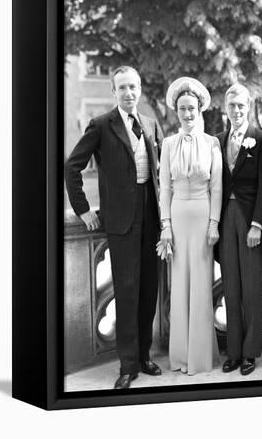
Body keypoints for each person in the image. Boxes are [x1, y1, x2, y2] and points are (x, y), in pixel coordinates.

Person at [65, 65, 164, 389]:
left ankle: (145, 356)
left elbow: (162, 170)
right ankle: (127, 364)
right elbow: (72, 167)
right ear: (114, 92)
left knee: (149, 290)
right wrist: (83, 210)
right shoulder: (101, 125)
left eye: (133, 86)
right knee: (126, 292)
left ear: (139, 88)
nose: (129, 93)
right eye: (122, 87)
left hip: (151, 215)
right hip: (121, 221)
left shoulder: (150, 123)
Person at [158, 77, 222, 375]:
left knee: (201, 286)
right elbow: (165, 189)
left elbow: (218, 187)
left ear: (200, 110)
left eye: (192, 108)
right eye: (182, 108)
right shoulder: (168, 144)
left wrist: (214, 223)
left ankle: (200, 357)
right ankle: (181, 356)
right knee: (179, 285)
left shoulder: (212, 143)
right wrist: (165, 225)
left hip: (202, 212)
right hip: (177, 216)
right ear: (176, 111)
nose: (187, 114)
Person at [216, 84, 262, 376]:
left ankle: (250, 353)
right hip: (225, 219)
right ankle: (234, 351)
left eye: (241, 105)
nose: (236, 111)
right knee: (231, 287)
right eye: (231, 106)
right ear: (225, 108)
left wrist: (257, 225)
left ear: (248, 106)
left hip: (251, 220)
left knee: (253, 289)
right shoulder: (217, 141)